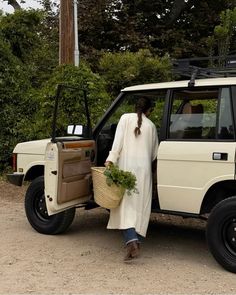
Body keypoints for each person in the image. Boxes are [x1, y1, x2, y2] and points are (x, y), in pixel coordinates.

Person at [105, 97, 159, 262]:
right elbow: (154, 153)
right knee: (140, 207)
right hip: (143, 172)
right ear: (148, 111)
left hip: (126, 170)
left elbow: (117, 143)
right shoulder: (151, 126)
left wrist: (110, 160)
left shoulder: (125, 118)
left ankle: (132, 243)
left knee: (125, 206)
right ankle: (135, 242)